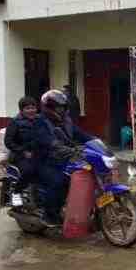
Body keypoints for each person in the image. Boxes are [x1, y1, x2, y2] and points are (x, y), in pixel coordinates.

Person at [34, 89, 94, 226]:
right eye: (58, 107)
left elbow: (80, 134)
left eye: (62, 107)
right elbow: (47, 140)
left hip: (63, 157)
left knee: (83, 173)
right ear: (49, 108)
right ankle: (49, 214)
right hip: (44, 160)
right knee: (59, 180)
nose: (61, 110)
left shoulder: (66, 121)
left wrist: (95, 141)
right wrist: (60, 146)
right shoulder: (40, 122)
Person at [4, 96, 39, 198]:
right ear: (21, 110)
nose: (31, 110)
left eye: (33, 107)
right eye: (27, 108)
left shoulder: (40, 120)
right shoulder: (15, 122)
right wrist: (23, 152)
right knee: (29, 171)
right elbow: (8, 142)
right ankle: (16, 193)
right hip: (19, 156)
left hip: (38, 154)